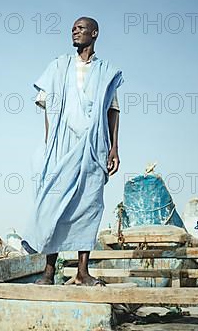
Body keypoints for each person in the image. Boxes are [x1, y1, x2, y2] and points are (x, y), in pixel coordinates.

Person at [23, 17, 123, 286]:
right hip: (61, 144)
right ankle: (48, 271)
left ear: (95, 33)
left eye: (81, 28)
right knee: (53, 203)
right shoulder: (58, 66)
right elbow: (45, 105)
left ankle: (82, 271)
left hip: (93, 146)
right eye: (73, 28)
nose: (75, 31)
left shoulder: (106, 72)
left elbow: (112, 111)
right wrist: (49, 143)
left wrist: (114, 148)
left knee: (88, 206)